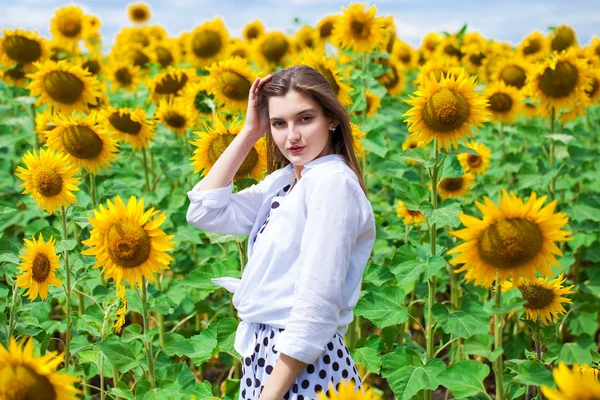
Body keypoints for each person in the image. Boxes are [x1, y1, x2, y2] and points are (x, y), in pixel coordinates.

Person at [186, 65, 376, 400]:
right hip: (267, 358)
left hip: (301, 369)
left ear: (331, 120)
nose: (292, 136)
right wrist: (249, 131)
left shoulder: (332, 184)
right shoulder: (287, 181)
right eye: (279, 123)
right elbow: (204, 211)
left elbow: (316, 305)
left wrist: (269, 395)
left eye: (305, 118)